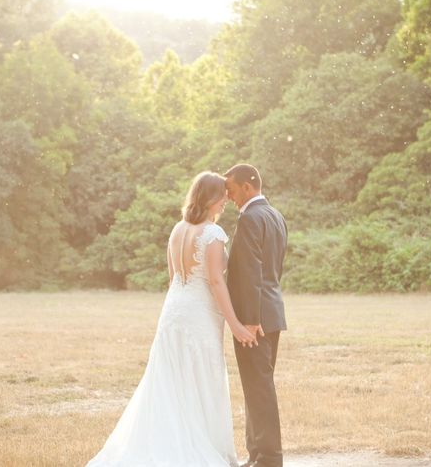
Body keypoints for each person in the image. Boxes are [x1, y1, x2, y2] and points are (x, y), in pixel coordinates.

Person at [86, 171, 256, 467]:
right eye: (222, 197)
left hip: (173, 310)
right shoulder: (213, 235)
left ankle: (164, 439)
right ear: (210, 197)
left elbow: (174, 278)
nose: (226, 202)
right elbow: (216, 283)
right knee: (201, 376)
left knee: (170, 378)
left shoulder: (177, 230)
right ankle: (197, 447)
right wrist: (236, 325)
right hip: (199, 314)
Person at [223, 164, 288, 467]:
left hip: (255, 319)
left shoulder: (250, 218)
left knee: (259, 388)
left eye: (232, 190)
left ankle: (270, 458)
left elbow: (249, 272)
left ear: (247, 187)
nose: (230, 197)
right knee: (257, 385)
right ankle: (257, 454)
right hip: (272, 311)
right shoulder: (275, 215)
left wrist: (248, 319)